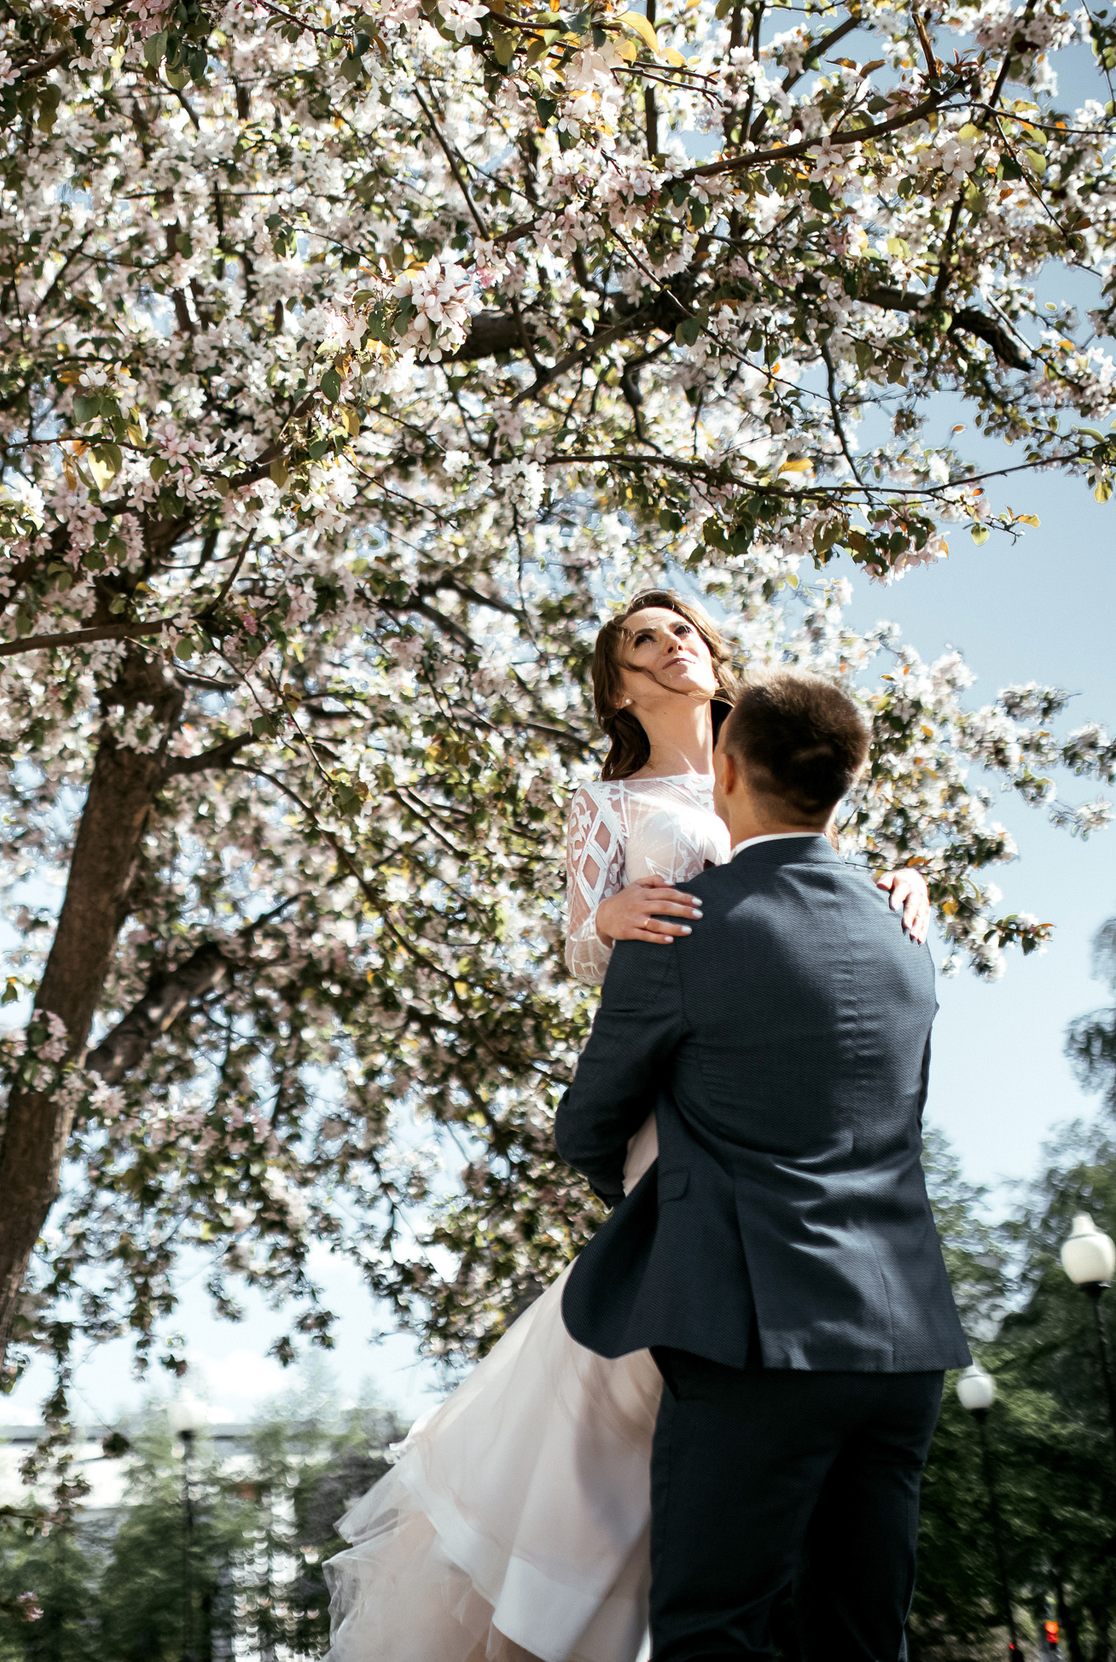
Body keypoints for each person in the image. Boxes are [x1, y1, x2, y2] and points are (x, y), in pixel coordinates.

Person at [324, 592, 929, 1662]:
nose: (668, 644)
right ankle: (576, 1580)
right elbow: (582, 948)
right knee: (652, 1359)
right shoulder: (606, 803)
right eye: (640, 640)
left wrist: (907, 884)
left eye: (681, 629)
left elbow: (820, 874)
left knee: (696, 1382)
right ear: (616, 684)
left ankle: (659, 1572)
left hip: (778, 1082)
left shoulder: (776, 756)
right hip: (677, 1088)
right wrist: (605, 919)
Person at [558, 668, 969, 1662]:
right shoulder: (907, 936)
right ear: (843, 786)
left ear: (726, 770)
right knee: (864, 1640)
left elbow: (586, 1128)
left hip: (751, 1337)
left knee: (712, 1632)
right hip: (901, 1342)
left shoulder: (680, 931)